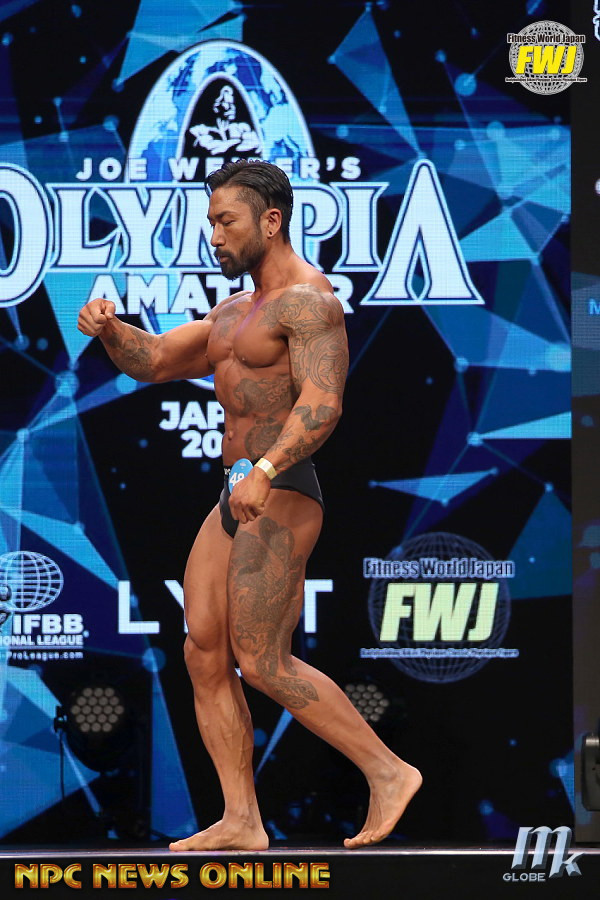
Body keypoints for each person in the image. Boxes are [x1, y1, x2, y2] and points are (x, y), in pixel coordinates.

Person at [77, 159, 421, 850]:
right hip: (236, 492)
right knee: (203, 650)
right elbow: (157, 360)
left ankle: (389, 772)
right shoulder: (235, 312)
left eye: (225, 221)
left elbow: (323, 404)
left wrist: (266, 468)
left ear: (271, 220)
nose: (214, 236)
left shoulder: (310, 302)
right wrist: (110, 330)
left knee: (262, 660)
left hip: (281, 489)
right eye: (210, 222)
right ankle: (241, 818)